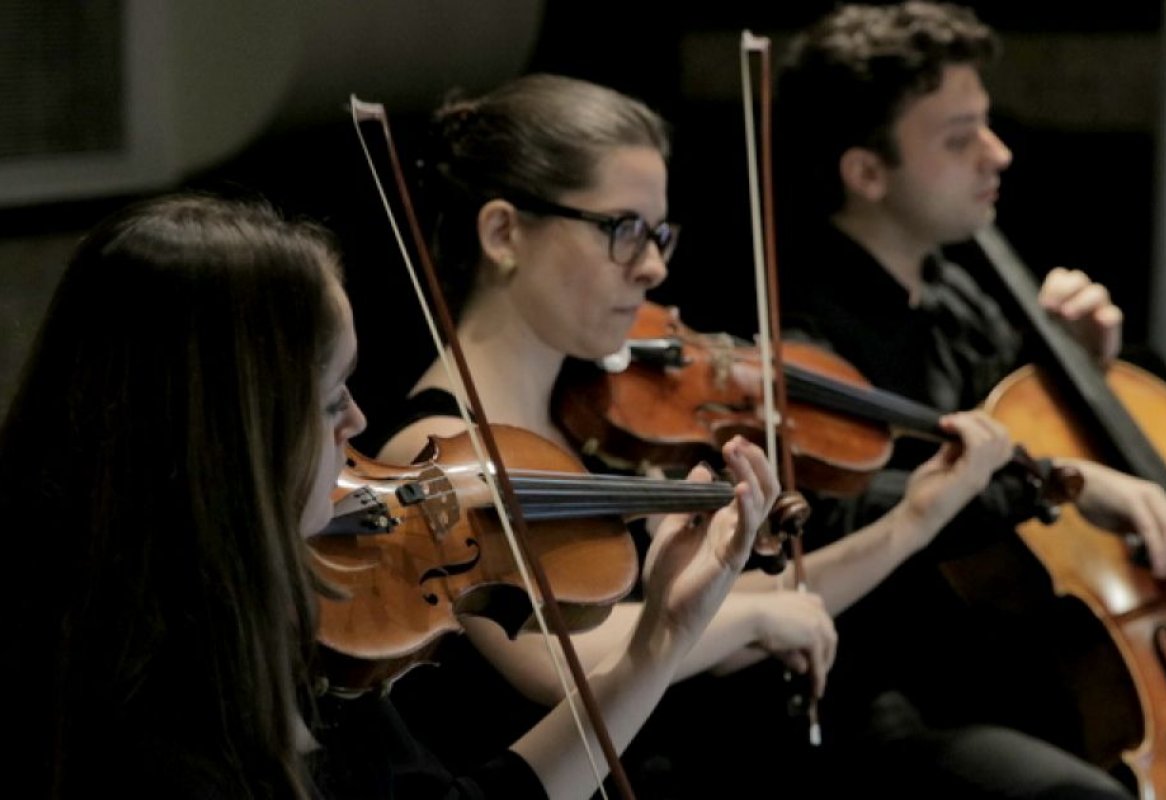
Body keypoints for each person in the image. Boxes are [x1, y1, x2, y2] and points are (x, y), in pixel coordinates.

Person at [352, 72, 1022, 797]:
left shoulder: (593, 428)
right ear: (504, 233)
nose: (654, 267)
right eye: (623, 230)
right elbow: (558, 659)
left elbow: (695, 621)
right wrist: (751, 614)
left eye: (659, 233)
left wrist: (913, 521)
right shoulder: (434, 455)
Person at [0, 192, 788, 799]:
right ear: (232, 431)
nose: (359, 422)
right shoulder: (150, 727)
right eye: (330, 398)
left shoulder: (273, 607)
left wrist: (662, 636)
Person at [773, 2, 1166, 797]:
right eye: (959, 137)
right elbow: (847, 508)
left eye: (989, 126)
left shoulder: (954, 294)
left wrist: (1079, 370)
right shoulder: (805, 341)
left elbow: (1018, 425)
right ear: (866, 173)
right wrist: (1060, 482)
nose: (997, 154)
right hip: (892, 699)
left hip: (1018, 667)